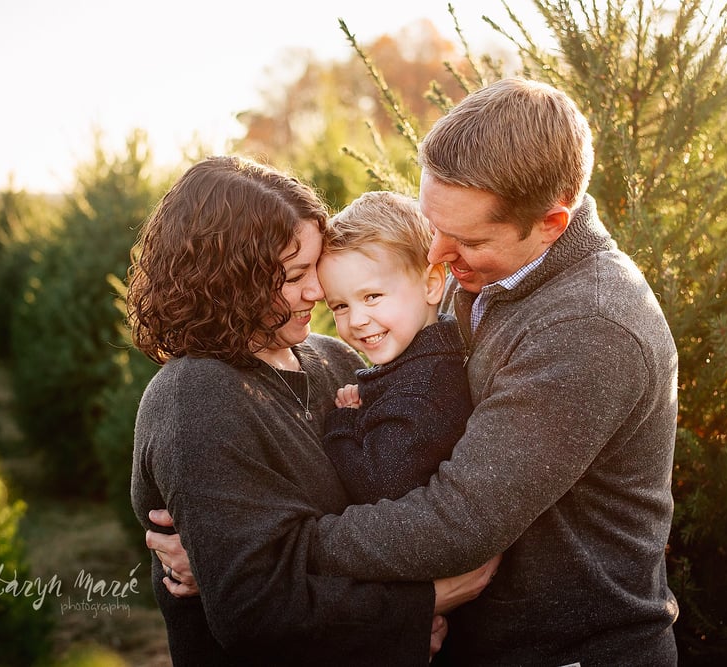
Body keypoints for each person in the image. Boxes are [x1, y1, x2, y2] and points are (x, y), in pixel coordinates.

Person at [153, 78, 680, 665]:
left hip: (568, 650)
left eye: (466, 239)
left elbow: (458, 520)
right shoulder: (474, 275)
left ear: (551, 224)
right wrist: (233, 549)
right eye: (435, 227)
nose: (438, 256)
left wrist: (266, 560)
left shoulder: (590, 326)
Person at [128, 155, 497, 666]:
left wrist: (227, 560)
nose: (317, 291)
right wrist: (422, 603)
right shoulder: (195, 400)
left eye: (314, 268)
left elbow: (387, 496)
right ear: (227, 280)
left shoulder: (336, 359)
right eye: (294, 275)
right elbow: (255, 612)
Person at [317, 190, 473, 504]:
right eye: (340, 306)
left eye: (372, 296)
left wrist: (343, 423)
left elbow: (377, 485)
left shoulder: (422, 390)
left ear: (430, 286)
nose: (357, 320)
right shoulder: (417, 363)